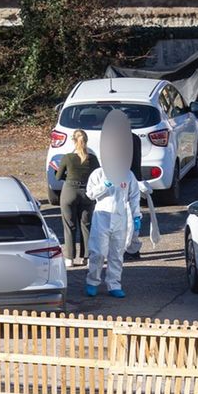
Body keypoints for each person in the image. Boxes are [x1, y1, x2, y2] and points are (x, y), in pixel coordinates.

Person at [84, 110, 141, 298]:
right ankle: (92, 281)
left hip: (121, 218)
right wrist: (105, 185)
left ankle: (114, 284)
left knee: (117, 254)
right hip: (102, 217)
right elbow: (90, 194)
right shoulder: (98, 174)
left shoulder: (128, 175)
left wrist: (137, 216)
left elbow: (134, 196)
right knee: (98, 252)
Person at [58, 129, 99, 267]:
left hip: (70, 192)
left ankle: (69, 258)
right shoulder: (92, 159)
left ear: (73, 141)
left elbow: (58, 176)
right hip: (87, 192)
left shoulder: (68, 157)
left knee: (69, 226)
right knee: (86, 225)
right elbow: (98, 175)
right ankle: (87, 257)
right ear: (86, 141)